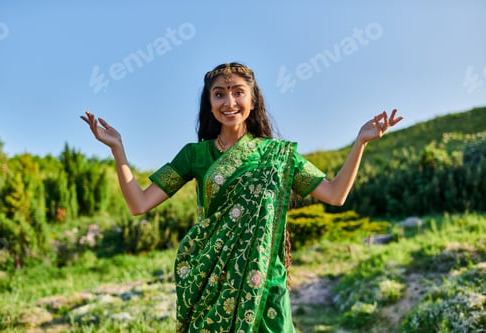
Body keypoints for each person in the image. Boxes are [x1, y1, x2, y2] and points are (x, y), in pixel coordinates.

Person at [81, 62, 403, 333]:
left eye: (238, 92)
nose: (229, 102)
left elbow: (335, 194)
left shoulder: (278, 155)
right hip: (211, 283)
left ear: (252, 100)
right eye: (219, 94)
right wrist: (117, 149)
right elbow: (139, 203)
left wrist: (360, 142)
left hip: (265, 284)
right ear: (209, 103)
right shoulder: (194, 155)